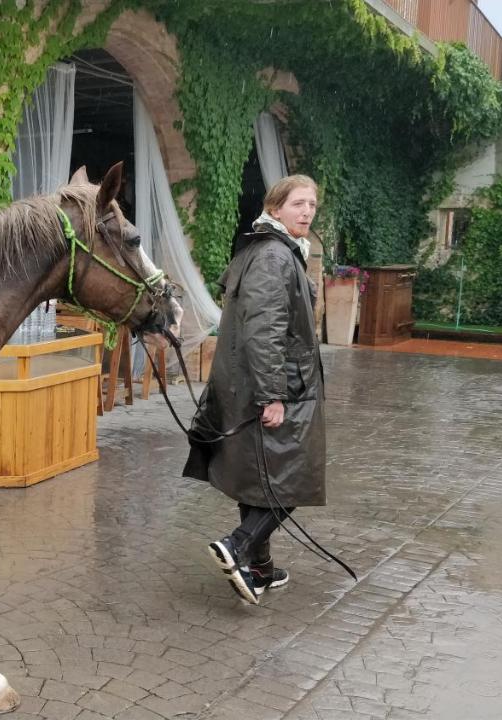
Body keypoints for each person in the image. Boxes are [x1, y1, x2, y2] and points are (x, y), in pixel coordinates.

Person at [183, 175, 326, 605]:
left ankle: (259, 567)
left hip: (251, 383)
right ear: (276, 207)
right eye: (299, 203)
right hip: (272, 385)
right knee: (294, 473)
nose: (307, 212)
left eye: (313, 205)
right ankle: (239, 544)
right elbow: (264, 330)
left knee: (261, 474)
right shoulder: (273, 257)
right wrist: (273, 394)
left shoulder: (269, 250)